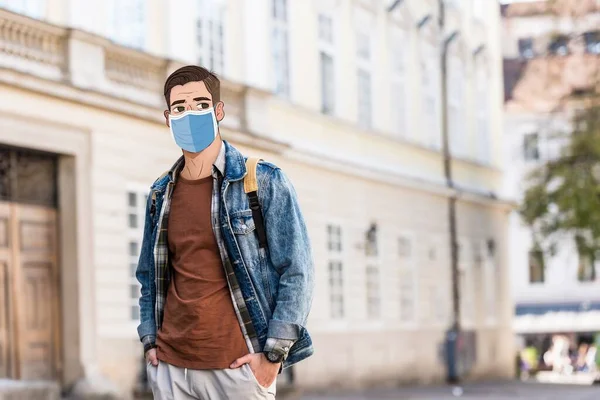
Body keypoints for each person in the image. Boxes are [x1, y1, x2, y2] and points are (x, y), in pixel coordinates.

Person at [135, 65, 315, 399]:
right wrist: (150, 342)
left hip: (239, 369)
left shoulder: (262, 180)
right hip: (172, 370)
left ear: (218, 111)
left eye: (200, 105)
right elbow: (149, 276)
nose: (190, 116)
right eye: (180, 109)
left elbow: (298, 271)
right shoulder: (161, 193)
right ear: (168, 117)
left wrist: (272, 356)